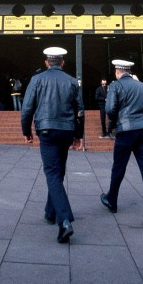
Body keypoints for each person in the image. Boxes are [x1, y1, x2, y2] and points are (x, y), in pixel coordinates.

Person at [21, 46, 84, 244]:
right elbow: (80, 111)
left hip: (47, 130)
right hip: (66, 131)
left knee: (52, 173)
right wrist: (78, 135)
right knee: (59, 172)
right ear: (62, 63)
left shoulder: (37, 79)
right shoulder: (73, 81)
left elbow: (27, 108)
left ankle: (64, 220)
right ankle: (50, 212)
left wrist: (26, 131)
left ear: (47, 62)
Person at [100, 59, 143, 231]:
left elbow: (110, 109)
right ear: (129, 71)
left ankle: (112, 199)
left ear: (117, 72)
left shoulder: (116, 86)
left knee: (119, 167)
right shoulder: (142, 86)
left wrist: (112, 124)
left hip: (126, 131)